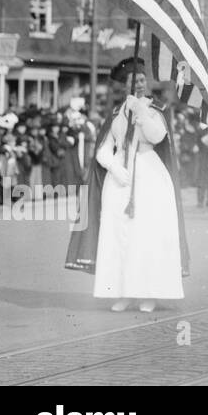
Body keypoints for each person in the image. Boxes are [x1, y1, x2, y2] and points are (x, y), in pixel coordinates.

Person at [64, 56, 189, 313]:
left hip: (148, 174)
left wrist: (141, 112)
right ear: (124, 85)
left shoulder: (156, 110)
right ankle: (123, 291)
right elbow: (103, 149)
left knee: (147, 235)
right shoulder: (116, 114)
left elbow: (157, 136)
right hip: (120, 178)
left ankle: (148, 293)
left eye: (142, 79)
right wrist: (113, 167)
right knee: (119, 236)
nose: (139, 84)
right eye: (134, 80)